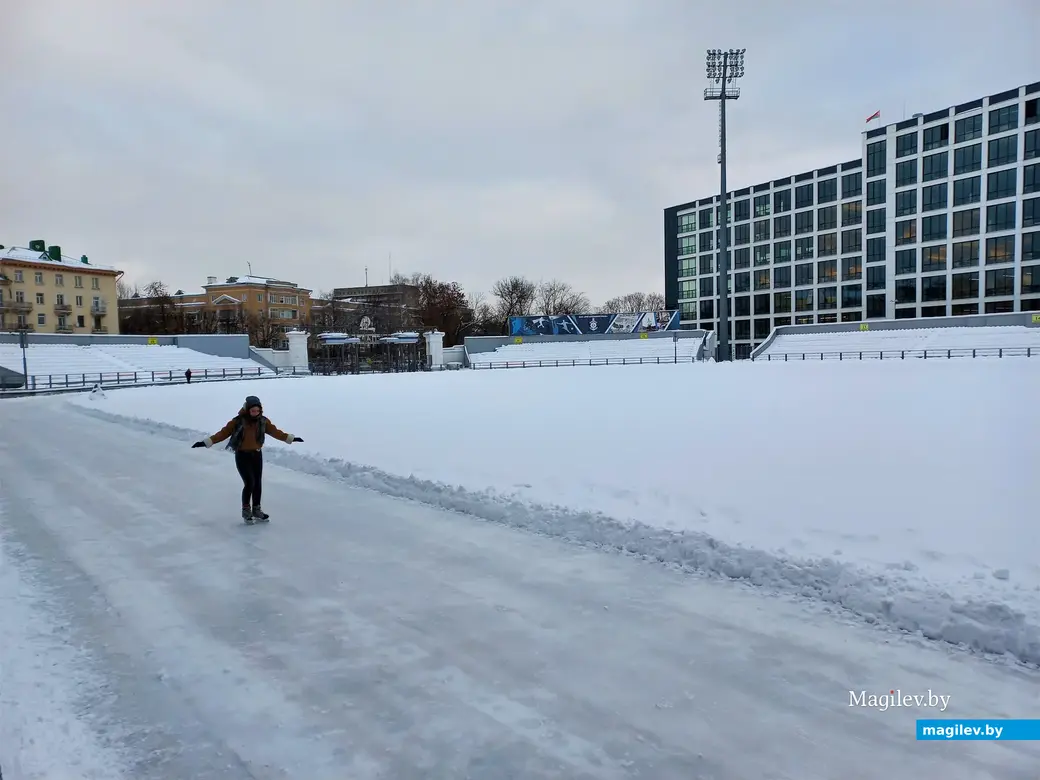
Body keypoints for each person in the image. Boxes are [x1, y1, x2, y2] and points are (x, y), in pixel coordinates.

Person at [191, 395, 304, 523]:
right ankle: (246, 510)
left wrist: (290, 438)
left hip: (256, 454)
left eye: (257, 411)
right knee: (250, 482)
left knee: (258, 483)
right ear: (247, 410)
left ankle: (256, 509)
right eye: (253, 411)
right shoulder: (237, 421)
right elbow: (222, 434)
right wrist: (206, 442)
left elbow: (275, 432)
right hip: (242, 455)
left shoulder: (263, 421)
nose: (255, 413)